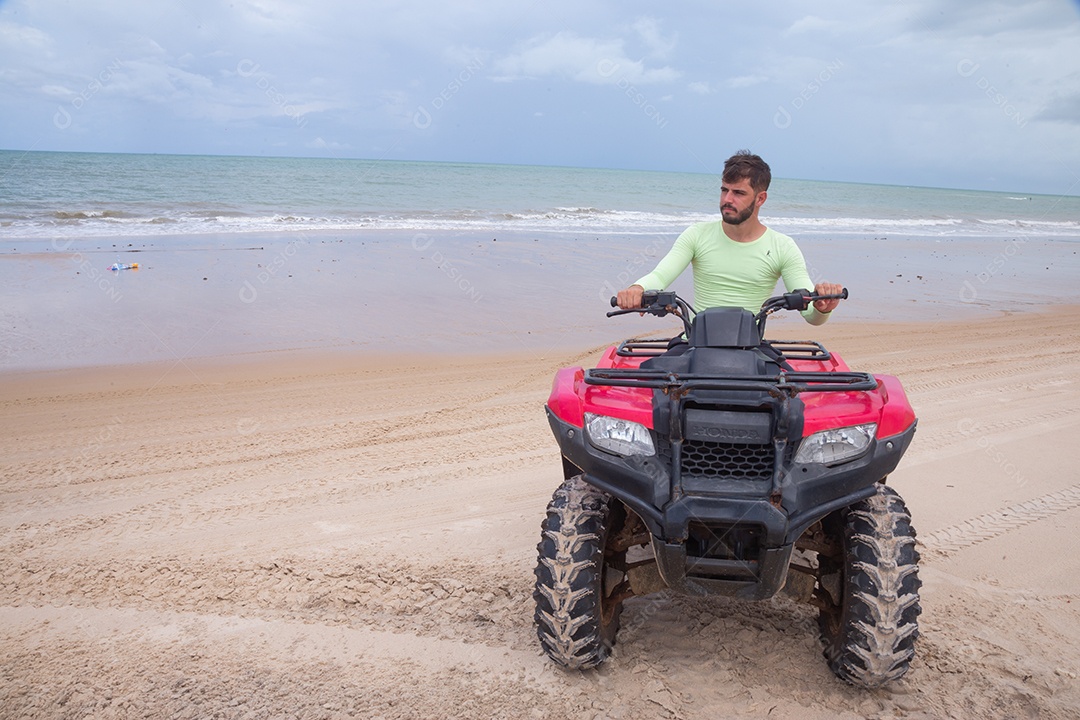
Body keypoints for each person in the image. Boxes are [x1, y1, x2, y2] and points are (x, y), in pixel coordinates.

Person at [616, 151, 842, 323]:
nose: (727, 199)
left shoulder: (782, 246)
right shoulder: (697, 234)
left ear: (760, 199)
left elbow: (809, 311)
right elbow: (660, 275)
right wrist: (637, 288)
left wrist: (823, 307)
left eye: (738, 193)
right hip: (695, 343)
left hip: (750, 348)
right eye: (725, 190)